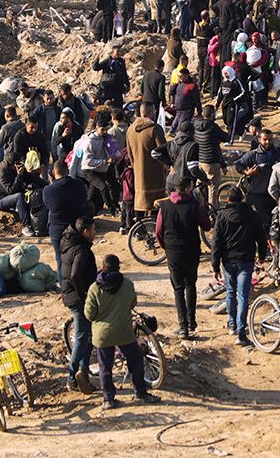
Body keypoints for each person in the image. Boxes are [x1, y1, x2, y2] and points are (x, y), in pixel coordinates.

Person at [84, 254, 159, 410]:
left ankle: (108, 399)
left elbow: (89, 314)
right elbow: (133, 303)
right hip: (124, 333)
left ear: (102, 269)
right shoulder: (127, 284)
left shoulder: (94, 288)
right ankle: (140, 392)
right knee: (136, 359)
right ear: (119, 268)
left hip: (102, 336)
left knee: (105, 367)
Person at [211, 185, 268, 347]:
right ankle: (241, 332)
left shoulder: (221, 217)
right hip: (246, 260)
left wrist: (215, 266)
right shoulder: (253, 215)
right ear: (242, 199)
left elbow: (216, 243)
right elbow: (261, 239)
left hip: (228, 261)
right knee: (243, 295)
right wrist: (262, 256)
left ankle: (232, 324)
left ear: (228, 200)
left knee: (230, 292)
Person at [157, 176, 210, 339]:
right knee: (190, 286)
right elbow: (207, 226)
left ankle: (183, 327)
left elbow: (159, 230)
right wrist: (202, 205)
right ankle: (191, 321)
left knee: (178, 289)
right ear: (187, 189)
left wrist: (165, 248)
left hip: (173, 252)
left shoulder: (164, 206)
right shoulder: (195, 206)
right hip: (192, 251)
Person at [60, 217, 97, 393]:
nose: (95, 233)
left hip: (69, 294)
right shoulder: (81, 250)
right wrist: (83, 293)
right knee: (82, 337)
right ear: (85, 232)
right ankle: (72, 377)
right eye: (93, 230)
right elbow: (75, 275)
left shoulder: (68, 243)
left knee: (87, 336)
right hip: (77, 298)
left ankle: (83, 373)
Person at [42, 159, 87, 283]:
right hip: (77, 228)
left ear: (53, 172)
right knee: (79, 258)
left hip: (57, 230)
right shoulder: (79, 184)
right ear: (68, 171)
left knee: (60, 260)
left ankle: (65, 288)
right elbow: (84, 200)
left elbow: (48, 206)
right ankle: (80, 286)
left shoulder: (48, 190)